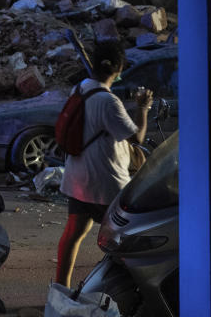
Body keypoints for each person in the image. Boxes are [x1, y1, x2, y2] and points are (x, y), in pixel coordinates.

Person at [55, 41, 153, 287]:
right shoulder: (109, 102)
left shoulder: (80, 88)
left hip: (77, 177)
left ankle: (61, 286)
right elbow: (137, 137)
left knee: (73, 234)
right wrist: (143, 108)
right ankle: (121, 287)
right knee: (124, 239)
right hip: (105, 183)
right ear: (119, 68)